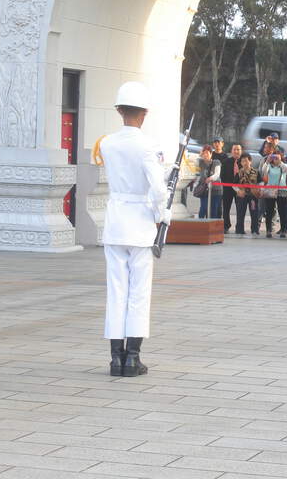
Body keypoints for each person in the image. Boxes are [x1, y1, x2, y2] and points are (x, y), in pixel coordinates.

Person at [99, 81, 169, 377]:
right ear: (145, 113)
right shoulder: (148, 146)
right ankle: (133, 359)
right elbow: (158, 190)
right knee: (139, 292)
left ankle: (116, 359)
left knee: (116, 291)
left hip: (115, 221)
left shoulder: (106, 143)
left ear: (119, 110)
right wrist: (162, 214)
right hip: (140, 224)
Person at [261, 152, 287, 238]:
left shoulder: (283, 165)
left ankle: (283, 230)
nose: (275, 159)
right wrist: (267, 161)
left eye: (277, 157)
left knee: (282, 211)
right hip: (271, 189)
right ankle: (268, 230)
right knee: (269, 211)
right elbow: (263, 171)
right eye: (274, 157)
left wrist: (280, 162)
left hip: (281, 189)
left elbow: (286, 170)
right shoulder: (269, 166)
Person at [235, 152, 260, 236]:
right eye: (243, 161)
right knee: (240, 213)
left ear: (250, 161)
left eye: (246, 161)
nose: (245, 163)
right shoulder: (238, 173)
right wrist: (238, 191)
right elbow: (233, 185)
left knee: (254, 213)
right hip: (242, 196)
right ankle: (239, 230)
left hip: (253, 196)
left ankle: (255, 230)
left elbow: (261, 182)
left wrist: (258, 190)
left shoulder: (256, 172)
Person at [220, 143, 242, 233]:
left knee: (240, 208)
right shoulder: (226, 161)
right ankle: (226, 226)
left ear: (241, 151)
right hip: (227, 189)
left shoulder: (244, 161)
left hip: (240, 189)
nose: (236, 151)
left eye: (238, 149)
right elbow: (222, 175)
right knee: (226, 208)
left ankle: (239, 227)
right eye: (234, 149)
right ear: (231, 151)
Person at [196, 145, 221, 219]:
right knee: (203, 208)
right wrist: (199, 155)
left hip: (216, 190)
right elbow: (193, 161)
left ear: (211, 153)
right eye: (203, 153)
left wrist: (210, 178)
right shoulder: (200, 162)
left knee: (213, 210)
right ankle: (200, 223)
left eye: (207, 153)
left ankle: (212, 225)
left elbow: (217, 174)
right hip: (204, 190)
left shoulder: (216, 162)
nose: (205, 155)